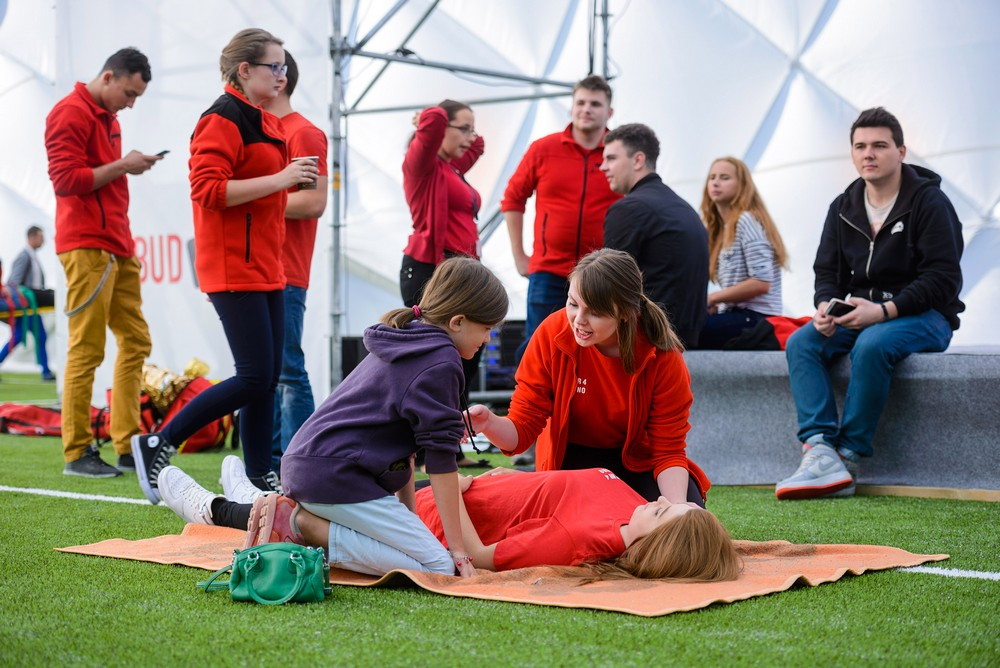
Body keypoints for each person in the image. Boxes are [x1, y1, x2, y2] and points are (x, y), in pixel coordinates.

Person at [159, 257, 508, 577]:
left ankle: (282, 512)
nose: (488, 338)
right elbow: (441, 462)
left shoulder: (409, 340)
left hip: (315, 468)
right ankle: (301, 525)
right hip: (334, 477)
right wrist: (459, 553)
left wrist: (410, 519)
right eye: (487, 328)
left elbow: (403, 450)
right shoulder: (440, 361)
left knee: (425, 554)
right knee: (439, 566)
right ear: (458, 321)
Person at [132, 29, 319, 504]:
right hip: (233, 265)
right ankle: (159, 441)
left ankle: (259, 476)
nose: (283, 74)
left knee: (268, 377)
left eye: (282, 66)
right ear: (244, 70)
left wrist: (282, 184)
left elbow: (263, 193)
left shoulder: (264, 120)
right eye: (274, 66)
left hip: (266, 265)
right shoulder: (221, 117)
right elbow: (208, 191)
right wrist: (282, 178)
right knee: (255, 375)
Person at [776, 107, 964, 500]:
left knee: (874, 343)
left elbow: (942, 279)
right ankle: (818, 448)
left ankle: (847, 457)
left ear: (901, 151)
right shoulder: (843, 206)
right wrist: (826, 307)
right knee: (802, 342)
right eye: (860, 146)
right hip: (861, 313)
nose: (869, 154)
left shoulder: (930, 203)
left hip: (926, 316)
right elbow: (826, 271)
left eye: (880, 145)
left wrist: (883, 312)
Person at [157, 462, 739, 581]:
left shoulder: (582, 540)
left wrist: (452, 489)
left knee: (303, 515)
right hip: (460, 486)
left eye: (662, 510)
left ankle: (214, 509)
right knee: (312, 492)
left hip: (436, 515)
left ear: (654, 545)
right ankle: (251, 497)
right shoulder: (627, 509)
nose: (657, 500)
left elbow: (482, 558)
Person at [469, 248, 711, 504]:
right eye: (573, 304)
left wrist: (676, 511)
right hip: (570, 462)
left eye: (595, 312)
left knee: (687, 515)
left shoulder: (662, 355)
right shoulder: (551, 333)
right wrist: (488, 423)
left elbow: (668, 450)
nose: (579, 320)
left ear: (626, 313)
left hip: (638, 464)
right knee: (589, 528)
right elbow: (523, 428)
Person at [45, 48, 161, 478]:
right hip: (87, 246)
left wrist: (125, 166)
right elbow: (65, 181)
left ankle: (128, 444)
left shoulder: (107, 117)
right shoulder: (69, 113)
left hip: (117, 245)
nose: (130, 104)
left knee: (135, 341)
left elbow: (95, 175)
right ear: (109, 77)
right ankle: (77, 452)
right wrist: (122, 165)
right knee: (87, 348)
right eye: (129, 94)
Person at [501, 75, 621, 364]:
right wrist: (520, 256)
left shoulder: (619, 154)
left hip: (601, 272)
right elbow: (512, 199)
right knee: (540, 346)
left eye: (595, 103)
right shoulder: (544, 149)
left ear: (609, 112)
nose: (586, 109)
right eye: (580, 102)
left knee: (597, 350)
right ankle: (531, 408)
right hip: (548, 270)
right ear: (571, 107)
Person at [400, 99, 490, 469]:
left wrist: (463, 132)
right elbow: (436, 120)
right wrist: (428, 118)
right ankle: (429, 451)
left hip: (460, 272)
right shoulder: (421, 165)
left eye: (472, 127)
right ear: (439, 130)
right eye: (463, 128)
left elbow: (478, 145)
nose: (472, 136)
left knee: (467, 359)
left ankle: (446, 446)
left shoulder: (451, 168)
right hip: (430, 270)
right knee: (439, 362)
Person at [261, 50, 329, 473]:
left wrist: (253, 195)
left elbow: (314, 201)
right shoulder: (266, 129)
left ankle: (299, 467)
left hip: (284, 270)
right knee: (267, 374)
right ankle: (270, 465)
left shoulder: (303, 132)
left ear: (280, 79)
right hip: (261, 268)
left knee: (286, 371)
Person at [601, 124, 709, 348]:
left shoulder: (629, 209)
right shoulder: (684, 208)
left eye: (611, 158)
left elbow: (606, 286)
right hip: (684, 341)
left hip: (646, 342)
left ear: (638, 160)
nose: (603, 167)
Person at [698, 157, 789, 349]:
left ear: (742, 185)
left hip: (757, 318)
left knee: (688, 330)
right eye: (712, 177)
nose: (715, 182)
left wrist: (713, 298)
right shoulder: (721, 228)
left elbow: (761, 283)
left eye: (724, 178)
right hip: (738, 315)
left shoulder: (746, 220)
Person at [1, 226, 55, 380]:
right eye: (41, 238)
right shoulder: (24, 257)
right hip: (25, 307)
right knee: (18, 337)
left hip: (32, 307)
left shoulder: (32, 256)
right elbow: (14, 282)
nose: (43, 241)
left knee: (40, 337)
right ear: (32, 237)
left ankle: (46, 371)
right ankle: (45, 371)